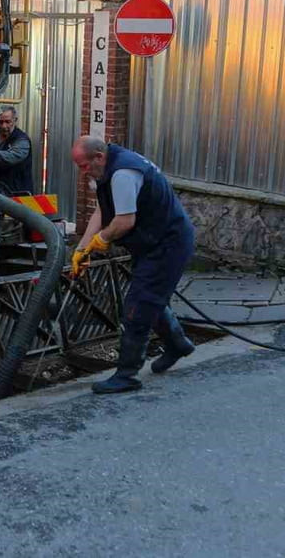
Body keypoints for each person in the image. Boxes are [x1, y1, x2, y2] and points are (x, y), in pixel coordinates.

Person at [70, 136, 195, 394]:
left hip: (167, 243)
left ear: (99, 157)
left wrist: (101, 240)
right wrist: (82, 249)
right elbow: (103, 212)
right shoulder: (108, 169)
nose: (82, 173)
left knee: (137, 305)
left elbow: (124, 220)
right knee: (150, 298)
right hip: (151, 243)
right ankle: (177, 344)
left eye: (83, 166)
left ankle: (127, 374)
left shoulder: (123, 173)